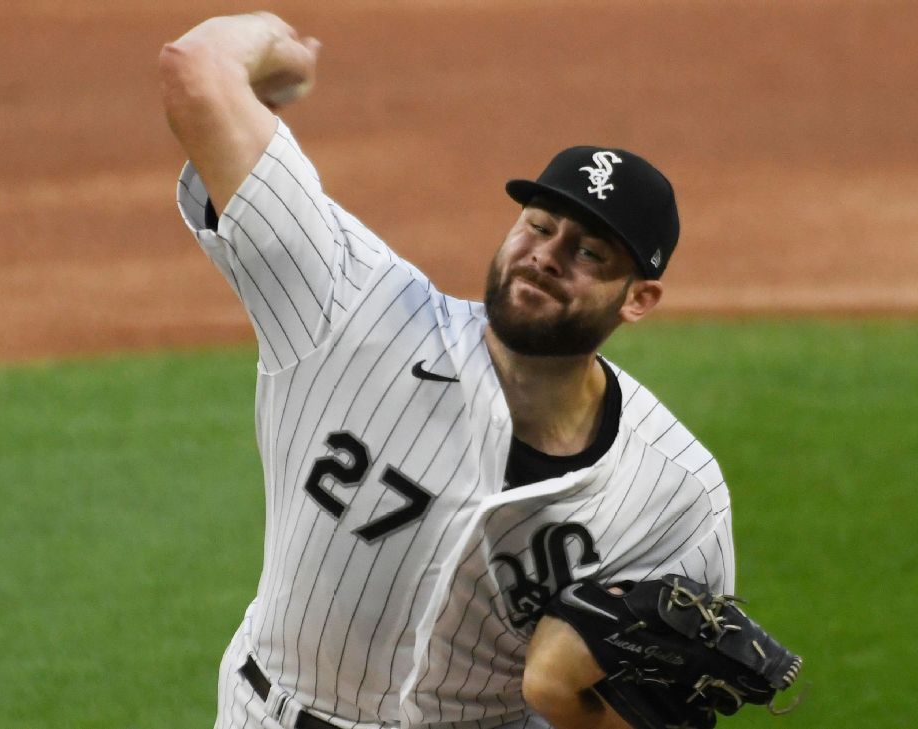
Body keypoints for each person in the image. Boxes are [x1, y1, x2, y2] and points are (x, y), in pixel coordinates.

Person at [160, 12, 735, 729]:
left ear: (639, 298)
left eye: (591, 252)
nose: (548, 254)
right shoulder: (350, 304)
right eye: (540, 223)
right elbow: (195, 68)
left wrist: (573, 706)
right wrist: (283, 54)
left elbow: (656, 709)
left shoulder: (676, 493)